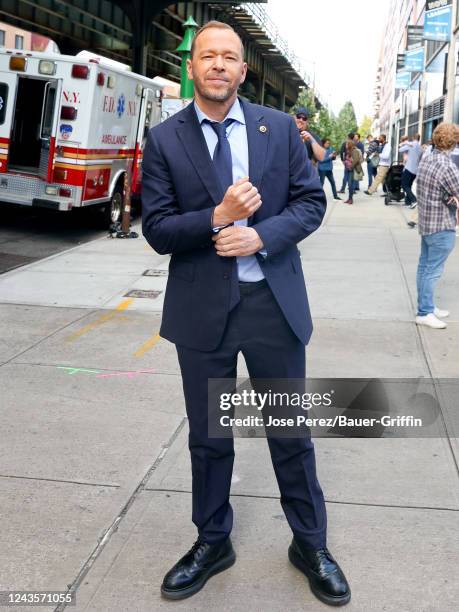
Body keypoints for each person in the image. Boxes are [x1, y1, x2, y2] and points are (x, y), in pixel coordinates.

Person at [141, 20, 351, 606]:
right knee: (210, 436)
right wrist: (218, 215)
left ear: (243, 69)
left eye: (229, 57)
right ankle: (213, 541)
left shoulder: (279, 128)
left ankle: (310, 543)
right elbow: (157, 229)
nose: (218, 65)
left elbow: (311, 203)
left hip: (270, 307)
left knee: (290, 432)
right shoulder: (165, 139)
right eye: (207, 56)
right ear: (192, 66)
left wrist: (259, 236)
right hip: (203, 311)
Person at [415, 123, 459, 329]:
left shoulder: (427, 158)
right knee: (432, 270)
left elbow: (435, 190)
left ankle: (427, 306)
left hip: (426, 222)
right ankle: (425, 312)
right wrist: (452, 199)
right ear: (453, 141)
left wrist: (450, 198)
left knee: (424, 267)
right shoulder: (448, 165)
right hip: (441, 225)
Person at [399, 134, 423, 208]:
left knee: (404, 184)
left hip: (409, 168)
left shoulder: (410, 145)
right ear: (419, 139)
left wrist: (402, 145)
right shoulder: (420, 148)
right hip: (415, 170)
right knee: (409, 185)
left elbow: (400, 150)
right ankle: (408, 201)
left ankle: (413, 200)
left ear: (413, 138)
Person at [343, 140, 362, 205]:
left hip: (352, 170)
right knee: (349, 184)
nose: (345, 145)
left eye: (347, 144)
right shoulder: (349, 151)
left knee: (350, 185)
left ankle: (350, 199)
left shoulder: (355, 151)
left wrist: (351, 166)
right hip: (348, 169)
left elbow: (356, 160)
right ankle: (349, 198)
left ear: (349, 145)